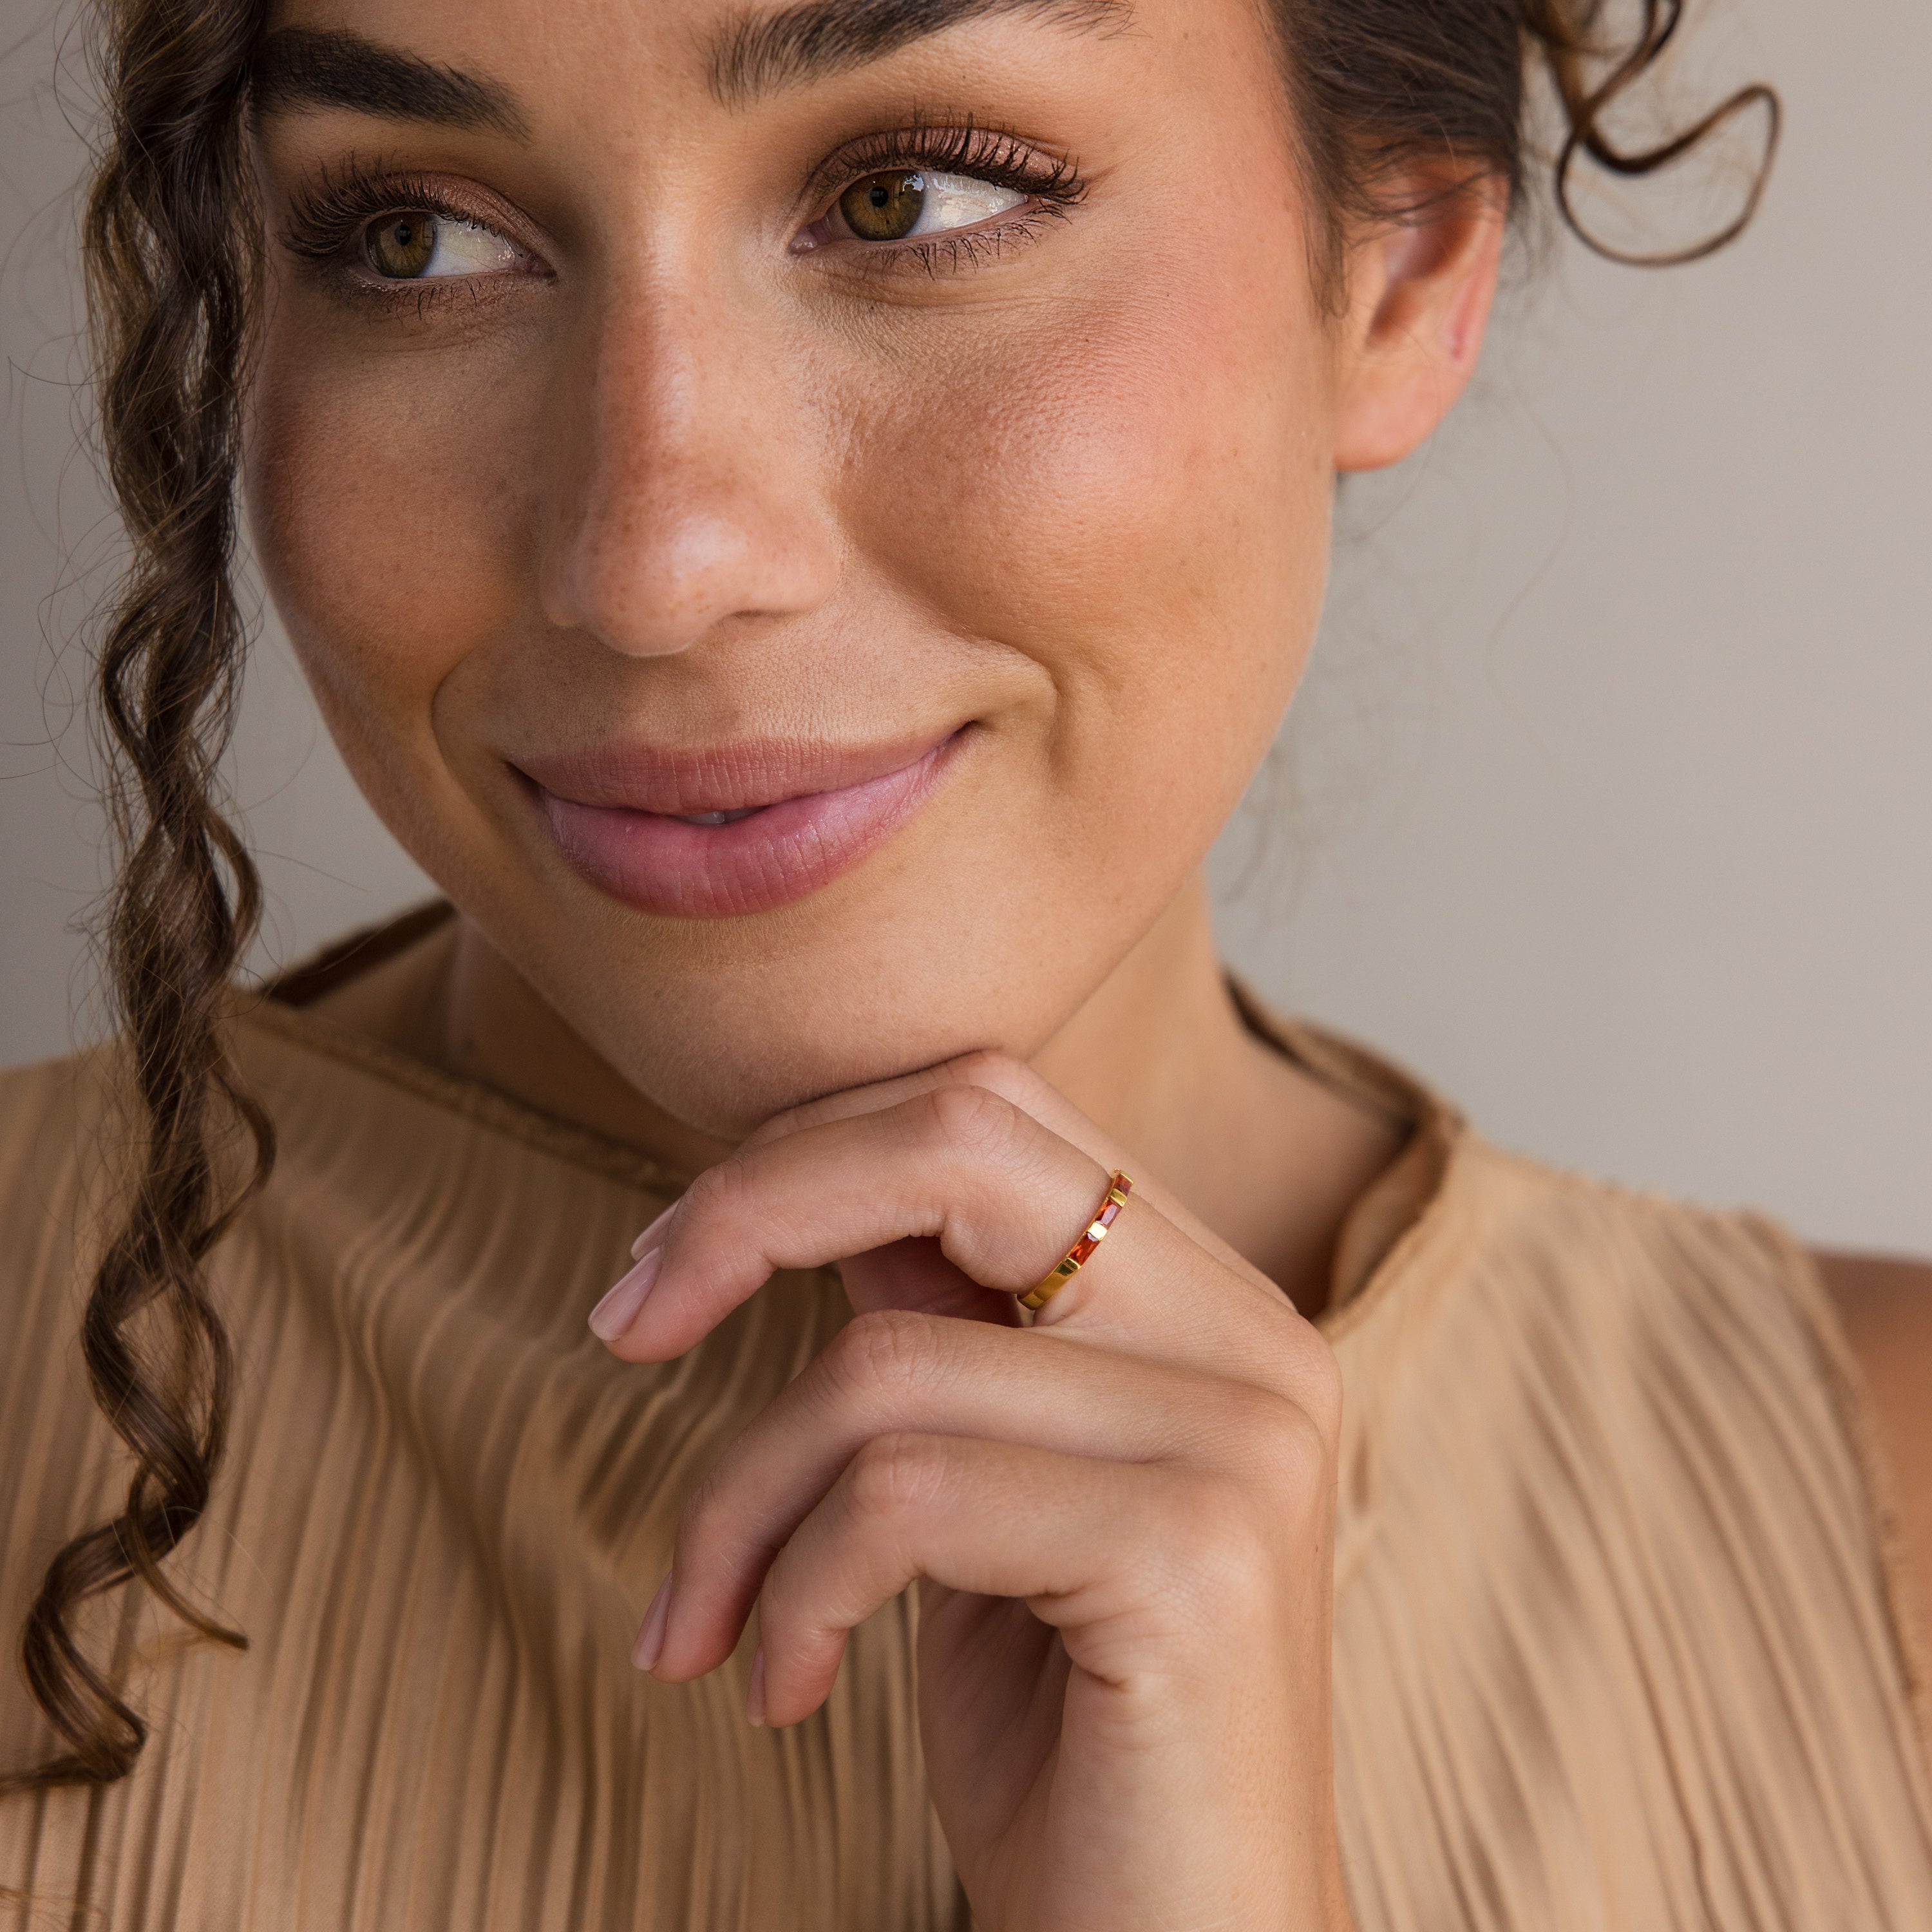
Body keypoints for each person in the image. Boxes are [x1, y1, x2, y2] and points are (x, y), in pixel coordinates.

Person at [1, 0, 1927, 1925]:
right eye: (415, 235)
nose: (658, 560)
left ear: (1400, 274)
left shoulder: (1886, 1517)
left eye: (908, 198)